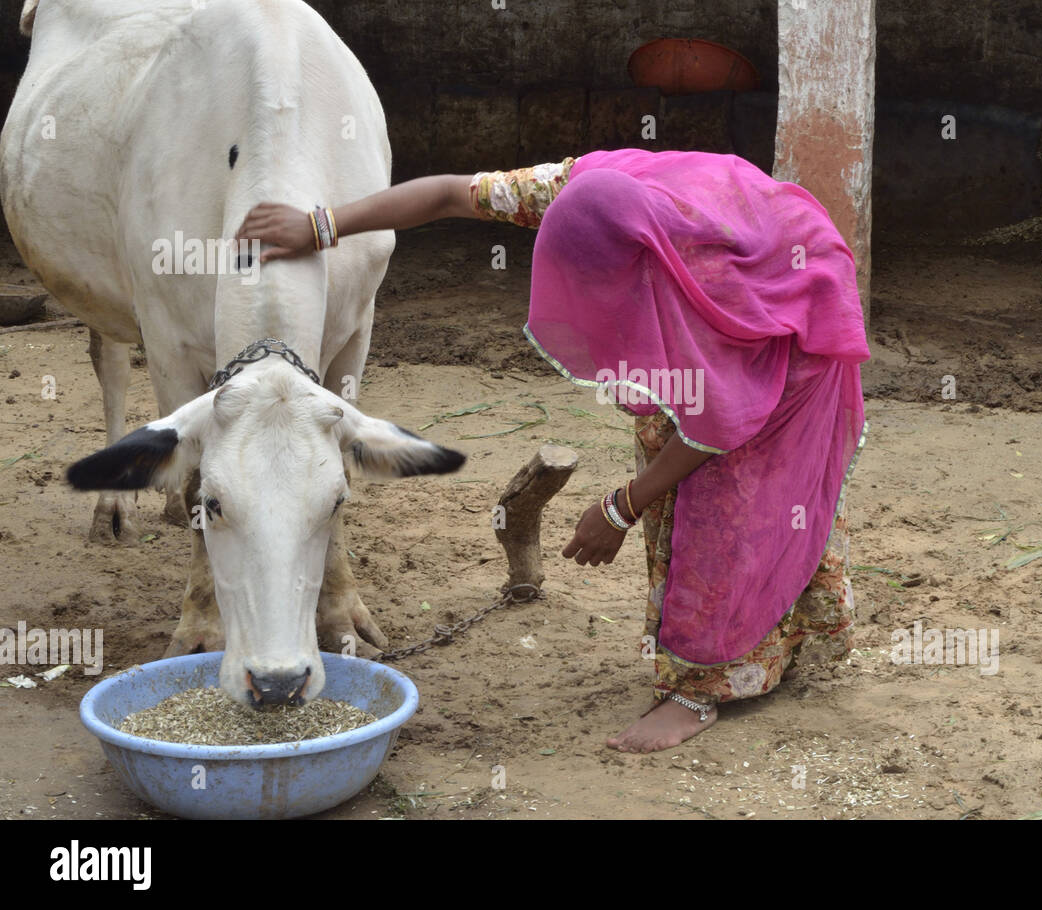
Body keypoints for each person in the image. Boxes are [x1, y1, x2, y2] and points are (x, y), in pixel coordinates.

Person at [236, 149, 871, 753]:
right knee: (672, 450)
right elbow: (449, 194)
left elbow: (713, 427)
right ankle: (746, 645)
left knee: (729, 501)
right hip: (723, 302)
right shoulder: (580, 186)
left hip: (792, 324)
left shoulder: (699, 276)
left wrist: (620, 507)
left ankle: (700, 690)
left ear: (647, 266)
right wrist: (322, 225)